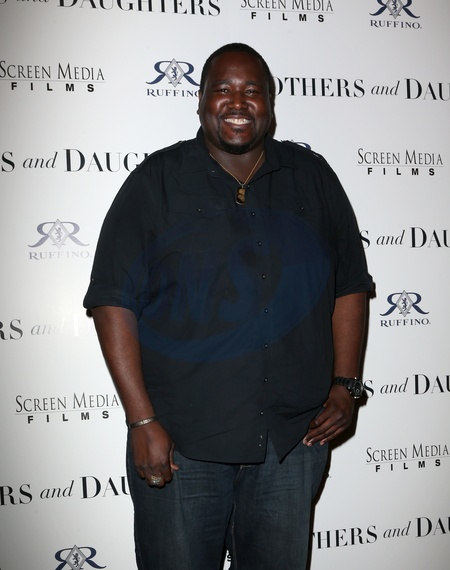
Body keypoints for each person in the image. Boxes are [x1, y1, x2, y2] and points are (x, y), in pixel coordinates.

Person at [84, 43, 373, 570]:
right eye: (223, 89)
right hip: (181, 446)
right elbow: (112, 301)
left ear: (271, 104)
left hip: (291, 443)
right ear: (200, 101)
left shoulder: (313, 178)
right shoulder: (156, 182)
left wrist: (346, 383)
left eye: (251, 91)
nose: (237, 102)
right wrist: (142, 420)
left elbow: (349, 286)